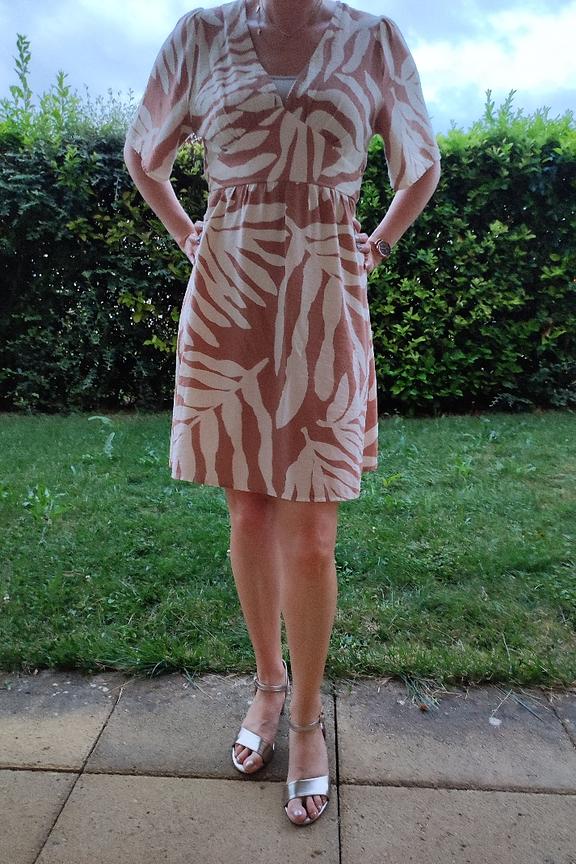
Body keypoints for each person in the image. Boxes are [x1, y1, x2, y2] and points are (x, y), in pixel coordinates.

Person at [123, 0, 441, 827]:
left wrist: (376, 241)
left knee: (314, 536)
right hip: (231, 296)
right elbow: (143, 152)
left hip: (324, 305)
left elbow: (421, 165)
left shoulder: (373, 40)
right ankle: (268, 683)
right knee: (249, 511)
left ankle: (305, 721)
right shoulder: (201, 35)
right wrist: (189, 233)